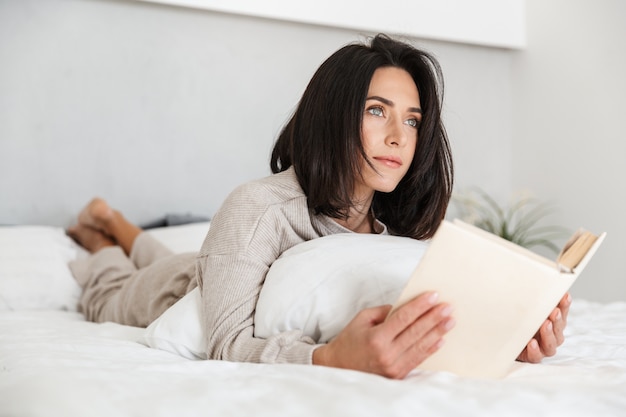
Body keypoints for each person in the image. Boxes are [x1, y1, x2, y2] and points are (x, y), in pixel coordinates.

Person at [67, 34, 571, 379]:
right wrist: (327, 358)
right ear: (333, 116)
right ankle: (99, 230)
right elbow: (225, 344)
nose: (398, 137)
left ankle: (119, 223)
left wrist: (507, 338)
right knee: (111, 285)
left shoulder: (398, 229)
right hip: (168, 290)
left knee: (176, 256)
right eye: (378, 112)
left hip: (204, 265)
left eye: (413, 121)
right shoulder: (258, 207)